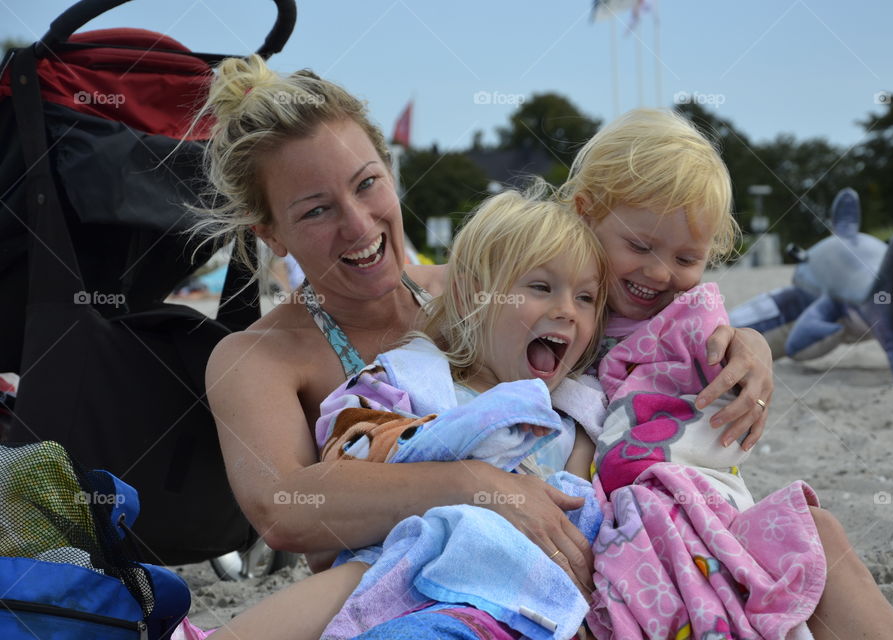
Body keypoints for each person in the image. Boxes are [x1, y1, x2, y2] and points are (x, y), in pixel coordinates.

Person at [197, 55, 772, 596]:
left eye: (367, 182)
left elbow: (634, 314)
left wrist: (745, 344)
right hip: (411, 590)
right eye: (316, 209)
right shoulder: (259, 358)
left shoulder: (487, 288)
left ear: (391, 174)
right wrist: (483, 487)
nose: (357, 223)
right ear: (269, 234)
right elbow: (283, 509)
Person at [562, 108, 893, 639]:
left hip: (708, 519)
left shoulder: (688, 323)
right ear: (585, 212)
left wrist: (751, 347)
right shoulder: (550, 302)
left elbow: (733, 343)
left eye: (686, 257)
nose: (660, 274)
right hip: (608, 545)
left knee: (817, 534)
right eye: (639, 247)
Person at [201, 186, 605, 639]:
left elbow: (582, 512)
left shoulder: (576, 413)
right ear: (476, 297)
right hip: (417, 588)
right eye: (541, 288)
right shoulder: (414, 381)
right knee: (372, 571)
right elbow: (351, 459)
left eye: (586, 298)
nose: (567, 311)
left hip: (520, 608)